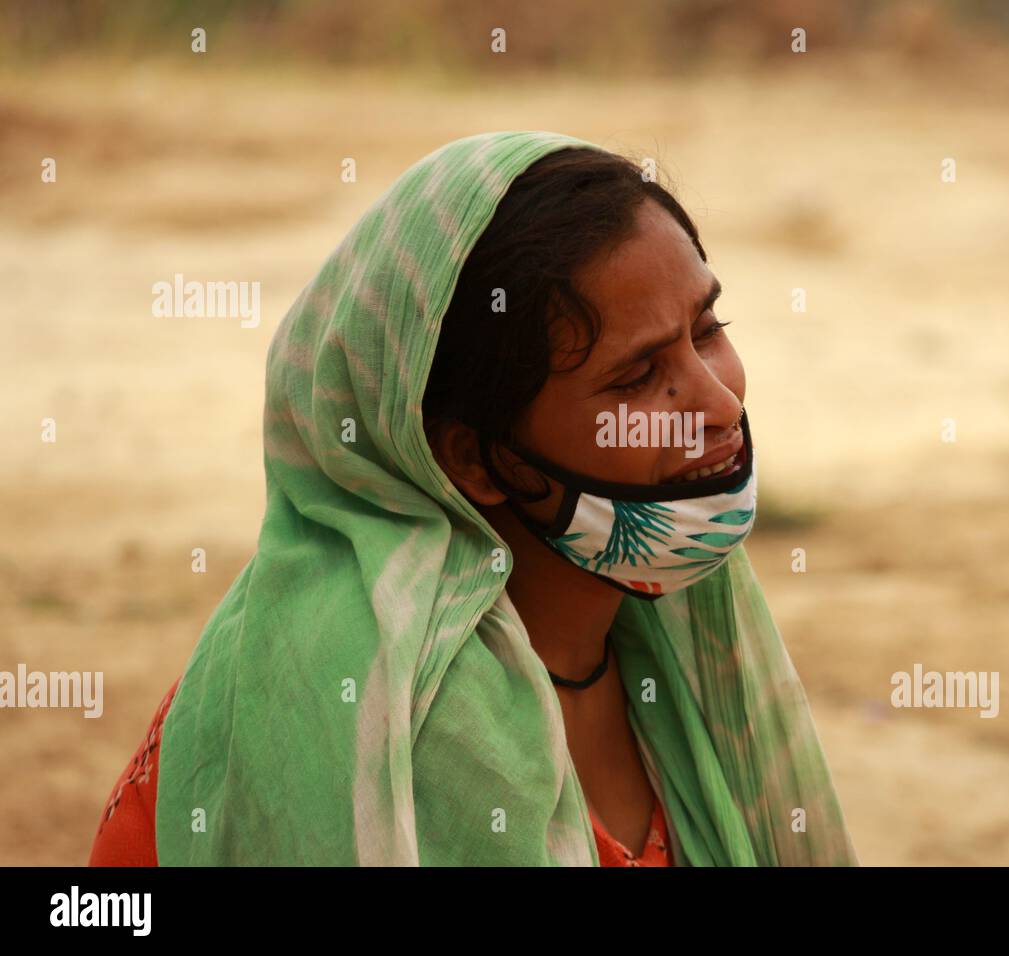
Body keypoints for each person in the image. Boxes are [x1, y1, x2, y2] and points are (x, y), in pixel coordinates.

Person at [89, 130, 859, 866]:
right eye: (635, 379)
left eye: (709, 327)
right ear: (475, 459)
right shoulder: (379, 718)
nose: (718, 403)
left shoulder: (675, 629)